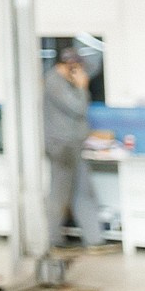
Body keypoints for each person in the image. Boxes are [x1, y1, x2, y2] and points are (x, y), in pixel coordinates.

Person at [44, 48, 102, 248]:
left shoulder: (66, 81)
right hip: (61, 147)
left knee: (84, 191)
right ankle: (52, 239)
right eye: (76, 68)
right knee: (59, 194)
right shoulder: (54, 82)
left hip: (74, 145)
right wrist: (82, 87)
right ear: (67, 65)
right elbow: (78, 108)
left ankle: (94, 240)